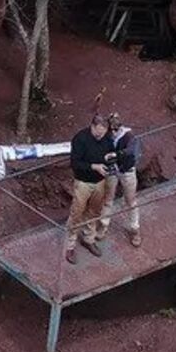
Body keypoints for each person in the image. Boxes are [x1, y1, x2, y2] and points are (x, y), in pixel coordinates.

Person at [64, 113, 117, 263]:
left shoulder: (106, 138)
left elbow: (110, 150)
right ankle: (70, 245)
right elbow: (75, 163)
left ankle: (88, 238)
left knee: (94, 212)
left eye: (103, 132)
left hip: (100, 181)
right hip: (83, 182)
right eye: (98, 132)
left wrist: (110, 158)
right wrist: (94, 167)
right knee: (77, 213)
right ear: (93, 126)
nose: (100, 135)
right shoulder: (80, 139)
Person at [107, 112, 141, 248]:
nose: (113, 134)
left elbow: (131, 150)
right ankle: (103, 227)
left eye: (114, 131)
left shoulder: (130, 136)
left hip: (127, 171)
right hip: (112, 170)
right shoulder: (108, 135)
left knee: (131, 201)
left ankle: (135, 229)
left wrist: (117, 154)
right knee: (107, 199)